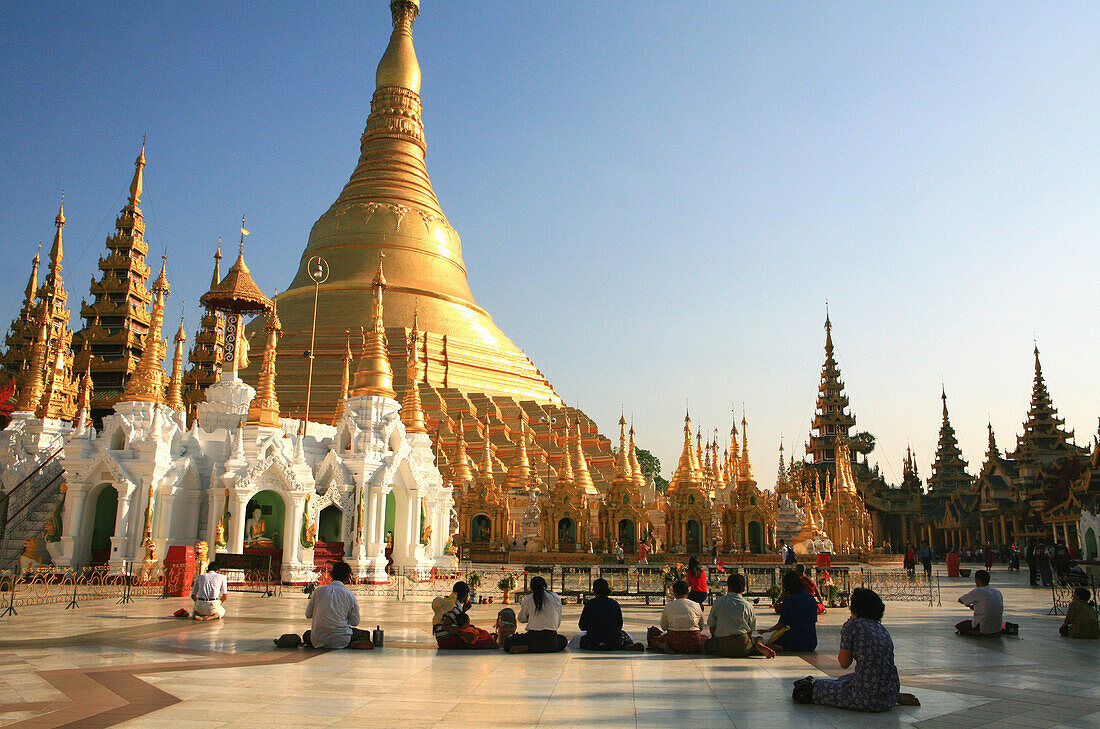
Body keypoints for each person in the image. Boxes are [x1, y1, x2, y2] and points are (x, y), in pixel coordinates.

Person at [796, 588, 919, 711]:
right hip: (890, 694)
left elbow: (844, 663)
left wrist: (846, 635)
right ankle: (890, 696)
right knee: (847, 678)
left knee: (809, 689)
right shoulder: (881, 628)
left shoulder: (852, 626)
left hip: (867, 698)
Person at [303, 561, 372, 649]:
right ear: (348, 577)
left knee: (307, 634)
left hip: (317, 640)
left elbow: (308, 614)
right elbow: (355, 622)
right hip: (342, 640)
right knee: (364, 634)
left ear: (331, 575)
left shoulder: (319, 591)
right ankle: (355, 642)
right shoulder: (350, 595)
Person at [705, 573, 775, 658]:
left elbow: (712, 625)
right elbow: (751, 630)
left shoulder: (718, 602)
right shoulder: (748, 606)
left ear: (728, 587)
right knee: (758, 639)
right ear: (744, 589)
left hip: (720, 646)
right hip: (742, 644)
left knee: (706, 642)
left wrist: (716, 638)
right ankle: (757, 645)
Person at [505, 576, 567, 653]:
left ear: (531, 587)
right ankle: (531, 648)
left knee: (509, 640)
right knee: (563, 639)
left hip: (533, 638)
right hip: (551, 640)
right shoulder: (555, 597)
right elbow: (557, 622)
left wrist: (531, 618)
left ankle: (527, 647)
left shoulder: (528, 599)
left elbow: (521, 619)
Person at [578, 578, 643, 651]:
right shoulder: (614, 604)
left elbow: (582, 626)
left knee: (581, 639)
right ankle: (627, 645)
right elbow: (619, 625)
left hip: (593, 641)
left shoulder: (589, 604)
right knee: (623, 634)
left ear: (594, 591)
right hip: (613, 642)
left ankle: (599, 644)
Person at [761, 570, 818, 652]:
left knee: (771, 642)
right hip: (810, 641)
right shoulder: (810, 598)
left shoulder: (790, 599)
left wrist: (767, 630)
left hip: (795, 639)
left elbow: (781, 624)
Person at [647, 580, 706, 653]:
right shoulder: (696, 605)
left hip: (673, 642)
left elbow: (664, 627)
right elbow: (701, 626)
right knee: (705, 639)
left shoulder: (669, 605)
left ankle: (665, 646)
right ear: (688, 592)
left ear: (674, 593)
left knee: (654, 639)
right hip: (694, 642)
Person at [955, 570, 1004, 637]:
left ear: (977, 580)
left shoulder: (978, 590)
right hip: (997, 627)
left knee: (960, 626)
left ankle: (978, 632)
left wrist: (968, 605)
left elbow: (961, 600)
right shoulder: (997, 591)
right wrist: (975, 606)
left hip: (983, 624)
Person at [432, 581, 473, 648]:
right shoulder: (456, 607)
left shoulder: (451, 602)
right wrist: (462, 633)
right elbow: (445, 626)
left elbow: (455, 619)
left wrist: (464, 610)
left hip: (441, 639)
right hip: (446, 639)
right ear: (465, 595)